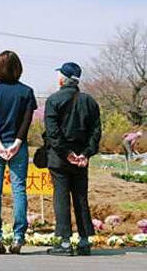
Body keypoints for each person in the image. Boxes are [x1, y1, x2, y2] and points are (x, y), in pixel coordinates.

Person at [0, 50, 37, 254]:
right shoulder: (27, 92)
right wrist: (18, 142)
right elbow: (27, 120)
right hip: (18, 146)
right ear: (18, 68)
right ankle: (19, 235)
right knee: (19, 189)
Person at [44, 62, 101, 256]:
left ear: (63, 78)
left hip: (60, 159)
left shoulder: (53, 100)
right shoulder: (90, 101)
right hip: (81, 160)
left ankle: (65, 242)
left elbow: (53, 133)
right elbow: (96, 132)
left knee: (61, 197)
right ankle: (84, 241)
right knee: (80, 197)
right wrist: (85, 153)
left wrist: (67, 152)